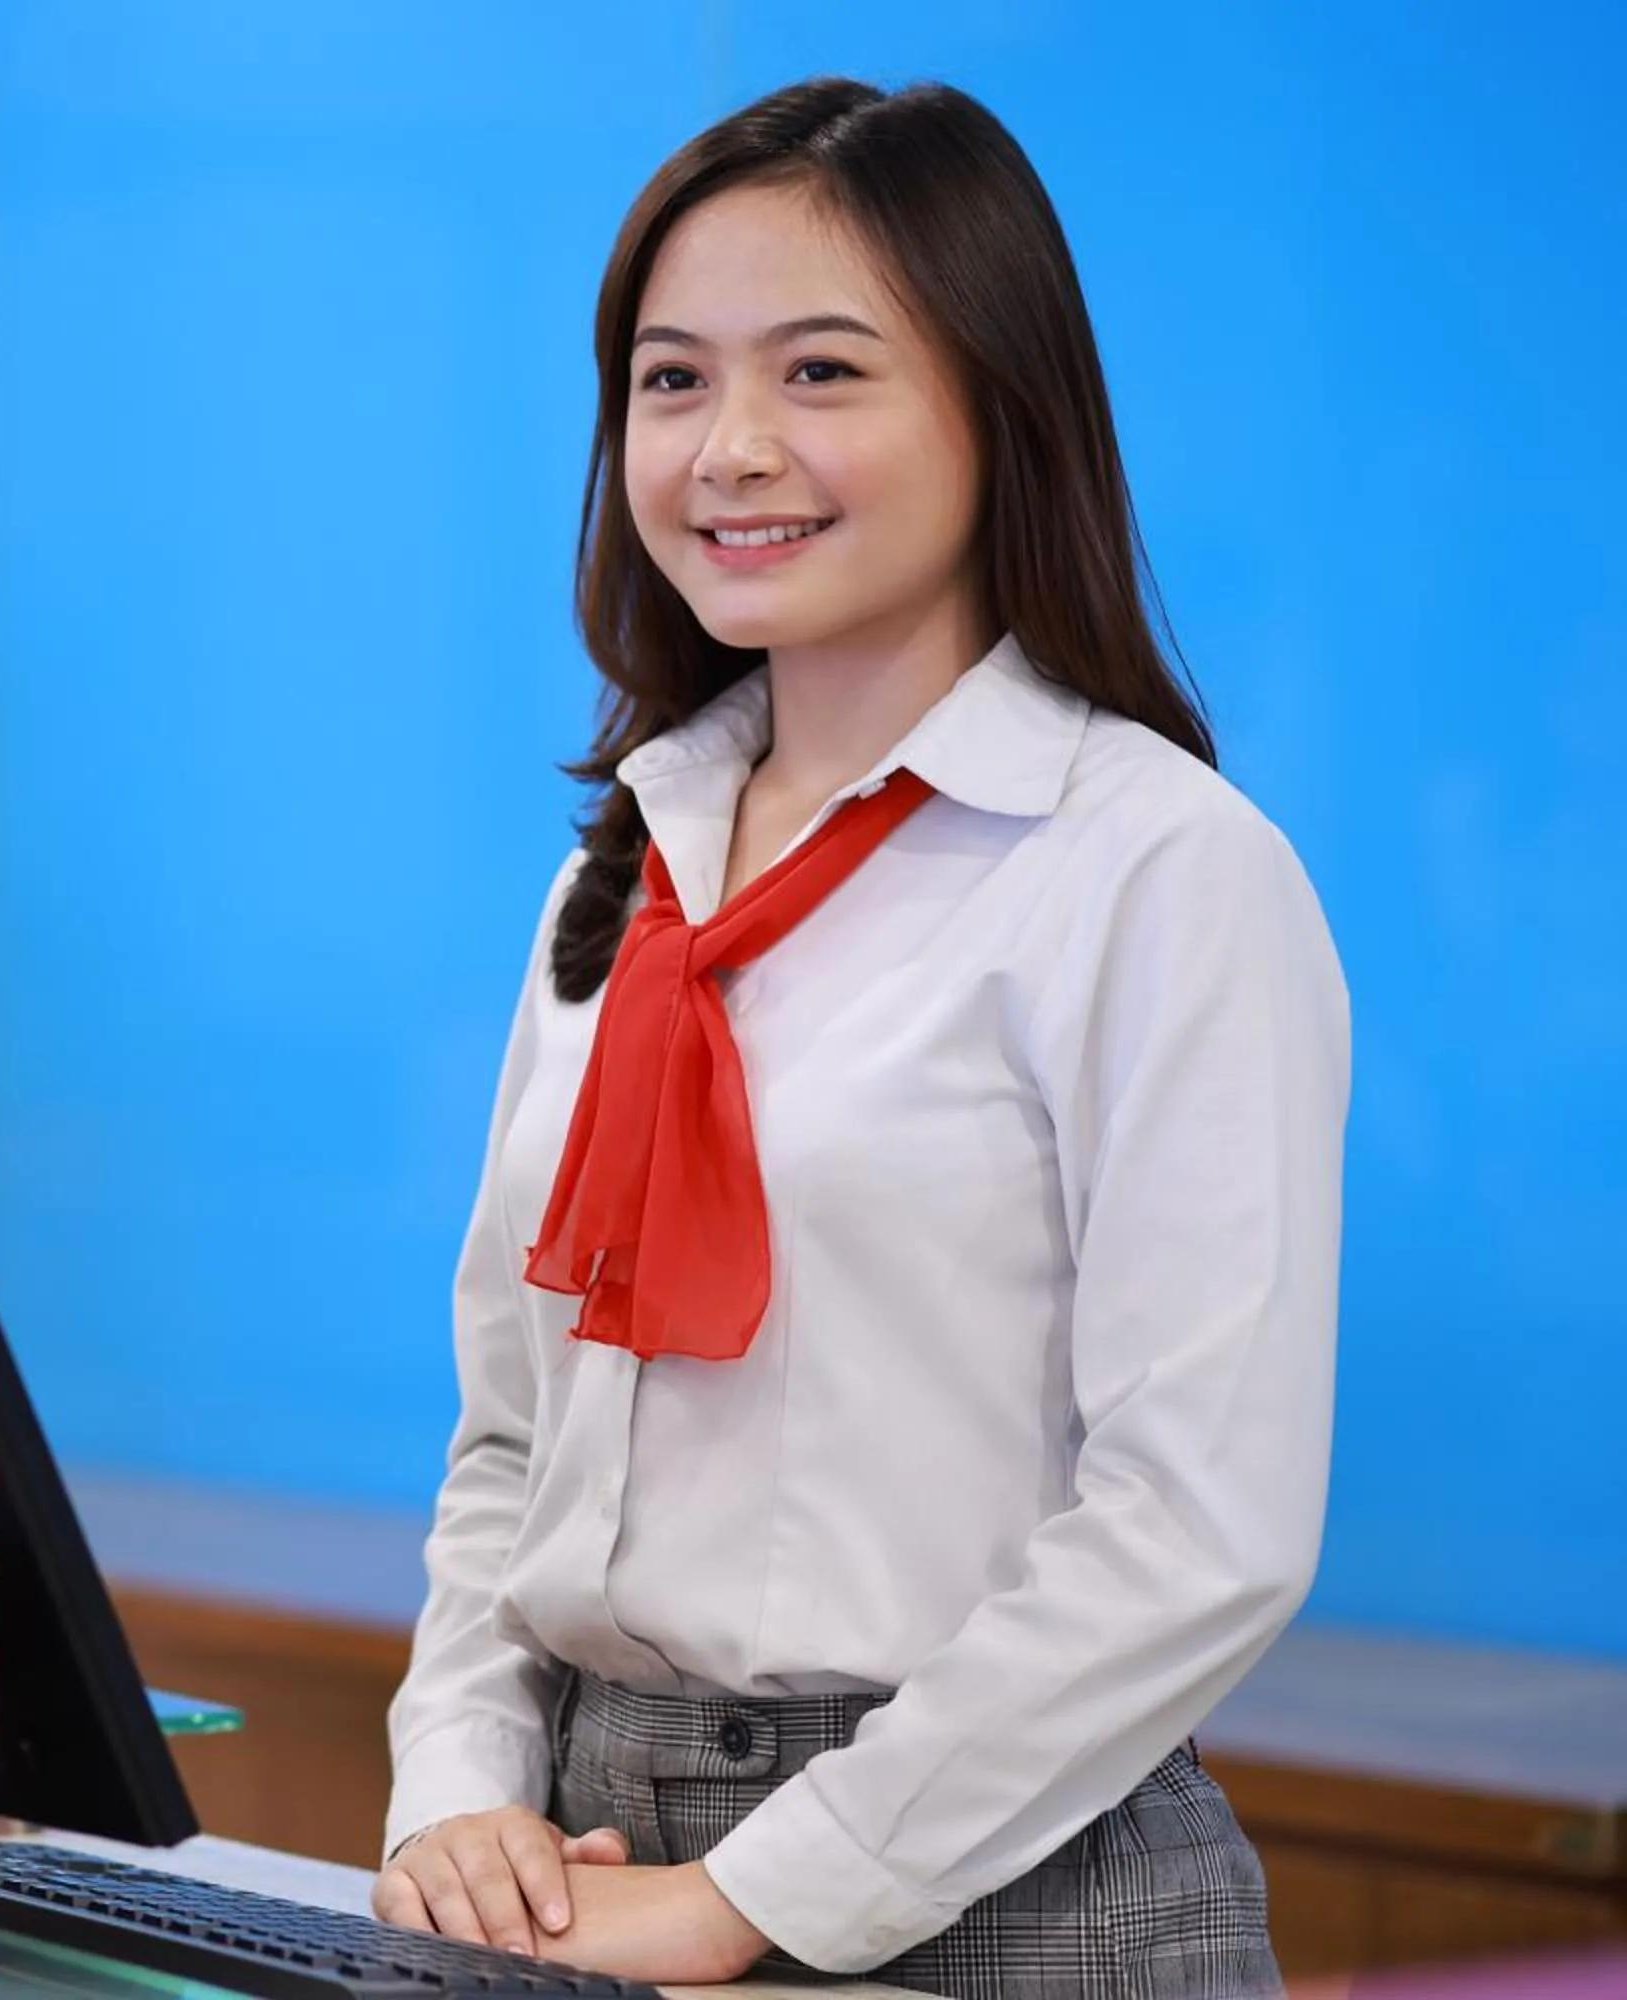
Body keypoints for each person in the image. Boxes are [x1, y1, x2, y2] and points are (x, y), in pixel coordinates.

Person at [371, 76, 1347, 2000]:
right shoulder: (622, 881)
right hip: (587, 1862)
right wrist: (457, 1791)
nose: (732, 449)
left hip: (1018, 1885)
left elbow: (1199, 1526)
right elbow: (512, 1441)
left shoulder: (1156, 868)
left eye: (822, 374)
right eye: (671, 383)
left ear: (1004, 404)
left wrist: (752, 1897)